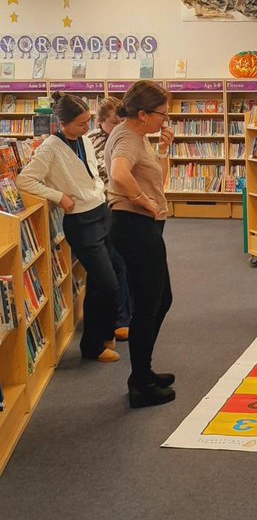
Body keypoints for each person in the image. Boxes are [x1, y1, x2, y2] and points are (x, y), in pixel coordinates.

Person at [17, 91, 119, 364]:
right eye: (81, 124)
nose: (87, 128)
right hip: (82, 223)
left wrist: (99, 190)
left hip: (101, 212)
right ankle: (93, 346)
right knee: (106, 284)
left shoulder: (84, 140)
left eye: (88, 121)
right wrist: (58, 196)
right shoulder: (50, 148)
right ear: (63, 123)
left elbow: (91, 172)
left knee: (103, 281)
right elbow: (25, 181)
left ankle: (101, 336)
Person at [105, 81, 175, 408]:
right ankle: (141, 383)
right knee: (149, 304)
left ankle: (143, 372)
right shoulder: (127, 136)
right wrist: (141, 200)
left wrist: (162, 151)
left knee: (160, 300)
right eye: (162, 113)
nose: (166, 118)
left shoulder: (138, 136)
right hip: (134, 227)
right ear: (143, 113)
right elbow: (119, 173)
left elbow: (156, 179)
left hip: (142, 226)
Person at [89, 96, 131, 342]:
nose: (118, 125)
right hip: (102, 205)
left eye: (121, 120)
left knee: (123, 261)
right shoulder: (91, 141)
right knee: (115, 262)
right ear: (101, 121)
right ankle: (119, 317)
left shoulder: (128, 137)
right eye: (113, 121)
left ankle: (124, 316)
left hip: (124, 204)